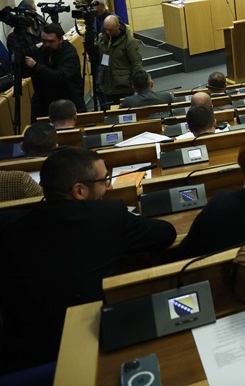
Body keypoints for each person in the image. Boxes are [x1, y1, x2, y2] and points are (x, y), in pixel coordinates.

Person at [0, 147, 176, 373]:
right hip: (92, 352)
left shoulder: (9, 227)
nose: (109, 187)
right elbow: (166, 234)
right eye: (104, 180)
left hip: (21, 359)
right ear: (80, 191)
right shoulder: (109, 215)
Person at [23, 22, 86, 121]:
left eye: (51, 41)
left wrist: (36, 66)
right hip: (45, 101)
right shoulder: (43, 50)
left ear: (61, 39)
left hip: (68, 100)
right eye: (44, 41)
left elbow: (60, 77)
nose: (47, 44)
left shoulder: (69, 54)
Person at [96, 14, 142, 107]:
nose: (107, 32)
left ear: (118, 26)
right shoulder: (101, 38)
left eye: (110, 29)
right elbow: (96, 55)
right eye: (106, 29)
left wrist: (137, 84)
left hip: (123, 86)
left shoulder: (129, 42)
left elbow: (136, 63)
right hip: (106, 83)